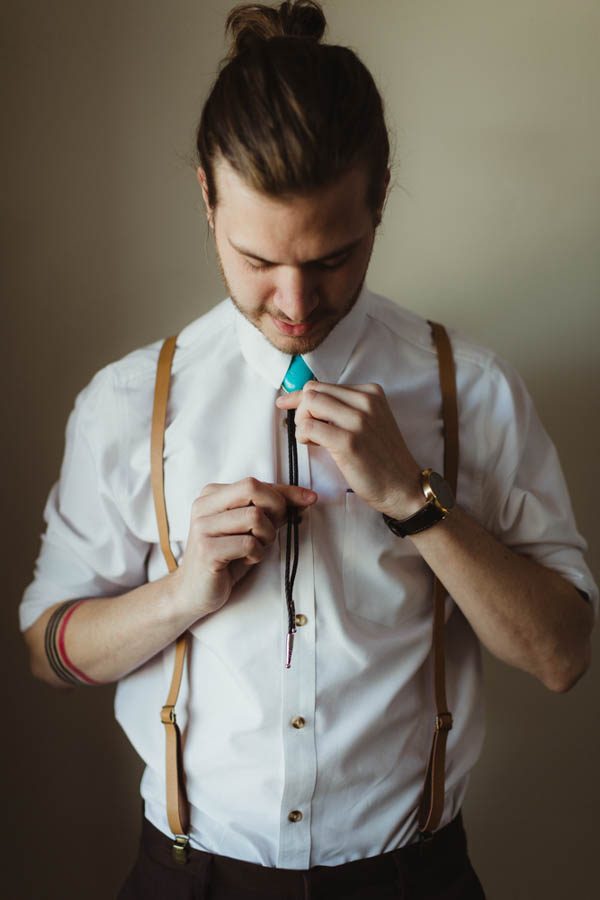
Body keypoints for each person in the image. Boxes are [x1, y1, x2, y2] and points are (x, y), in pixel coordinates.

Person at [20, 2, 597, 898]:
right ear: (207, 199)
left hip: (413, 880)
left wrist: (418, 500)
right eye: (258, 259)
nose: (294, 301)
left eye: (332, 257)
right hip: (188, 879)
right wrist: (183, 590)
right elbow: (47, 652)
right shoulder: (129, 401)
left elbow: (564, 655)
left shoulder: (473, 390)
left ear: (380, 197)